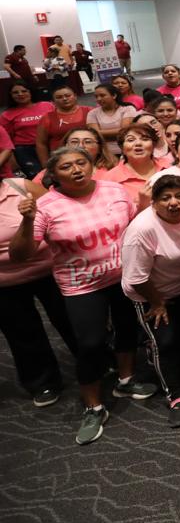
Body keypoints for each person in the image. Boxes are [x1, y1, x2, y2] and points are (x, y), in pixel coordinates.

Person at [10, 147, 157, 445]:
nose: (76, 169)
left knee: (127, 330)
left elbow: (134, 227)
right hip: (81, 286)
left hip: (123, 278)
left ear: (91, 166)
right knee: (90, 344)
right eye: (67, 166)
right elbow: (20, 254)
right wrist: (26, 221)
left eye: (81, 163)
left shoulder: (114, 191)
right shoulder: (46, 206)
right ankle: (93, 407)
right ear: (53, 174)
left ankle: (126, 380)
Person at [120, 174, 180, 428]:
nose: (173, 202)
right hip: (150, 294)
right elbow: (136, 278)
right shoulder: (142, 230)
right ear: (154, 202)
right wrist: (157, 302)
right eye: (165, 198)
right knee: (165, 343)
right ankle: (175, 395)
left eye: (179, 196)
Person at [0, 173, 78, 408]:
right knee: (23, 332)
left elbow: (59, 212)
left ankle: (98, 362)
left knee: (71, 319)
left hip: (51, 268)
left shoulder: (18, 186)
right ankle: (42, 382)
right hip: (5, 281)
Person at [1, 82, 53, 178]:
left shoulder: (47, 106)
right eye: (15, 92)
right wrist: (12, 160)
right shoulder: (7, 115)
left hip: (50, 146)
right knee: (38, 177)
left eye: (24, 91)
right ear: (11, 95)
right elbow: (7, 140)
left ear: (31, 92)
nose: (20, 94)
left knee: (57, 173)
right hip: (25, 151)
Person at [36, 84, 88, 163]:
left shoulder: (89, 111)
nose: (64, 99)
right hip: (60, 159)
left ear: (75, 96)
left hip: (89, 156)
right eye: (59, 97)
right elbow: (41, 143)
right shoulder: (47, 118)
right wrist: (45, 164)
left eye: (68, 96)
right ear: (53, 101)